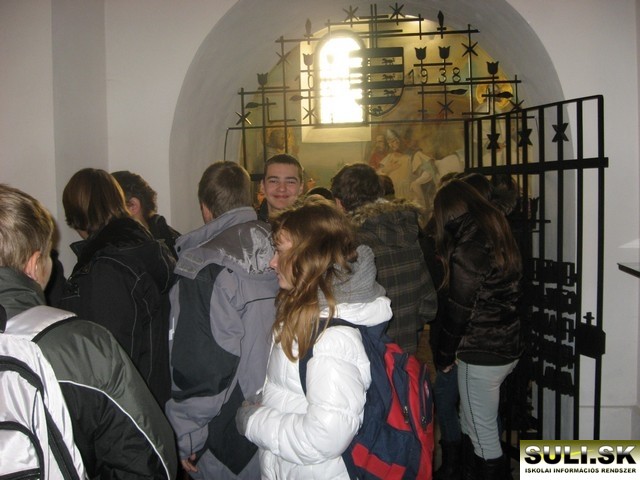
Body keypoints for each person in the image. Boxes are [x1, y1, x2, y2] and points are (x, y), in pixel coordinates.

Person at [0, 183, 177, 479]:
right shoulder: (80, 346)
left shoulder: (104, 269)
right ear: (32, 264)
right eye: (49, 255)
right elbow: (148, 459)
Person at [235, 197, 392, 479]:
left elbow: (324, 438)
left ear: (310, 257)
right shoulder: (306, 315)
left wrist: (254, 422)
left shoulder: (331, 340)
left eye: (280, 251)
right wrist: (270, 399)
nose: (272, 262)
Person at [165, 161, 279, 480]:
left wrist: (185, 436)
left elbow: (202, 366)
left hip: (229, 436)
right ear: (250, 198)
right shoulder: (285, 247)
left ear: (205, 207)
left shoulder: (204, 267)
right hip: (281, 418)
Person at [58, 168, 176, 407]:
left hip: (126, 407)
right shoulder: (138, 250)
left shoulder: (108, 267)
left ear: (76, 212)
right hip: (151, 397)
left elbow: (110, 358)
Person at [431, 179, 523, 480]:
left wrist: (444, 356)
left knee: (483, 435)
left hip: (480, 350)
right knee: (473, 422)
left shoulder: (469, 247)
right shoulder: (497, 230)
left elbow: (459, 310)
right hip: (505, 343)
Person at [331, 163, 437, 354]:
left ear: (339, 203)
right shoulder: (409, 233)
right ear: (380, 193)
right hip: (404, 350)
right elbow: (428, 303)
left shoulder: (349, 244)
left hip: (366, 351)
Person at [112, 170, 181, 258]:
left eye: (107, 207)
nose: (103, 215)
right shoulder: (172, 242)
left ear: (132, 206)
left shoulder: (177, 244)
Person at [256, 154, 305, 222]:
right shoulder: (248, 228)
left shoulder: (314, 227)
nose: (282, 188)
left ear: (301, 187)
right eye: (274, 181)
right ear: (262, 186)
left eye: (290, 182)